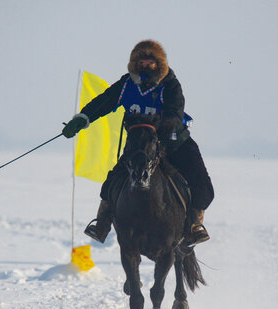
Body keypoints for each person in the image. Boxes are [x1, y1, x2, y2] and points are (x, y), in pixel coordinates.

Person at [62, 39, 214, 245]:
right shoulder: (127, 84)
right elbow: (104, 102)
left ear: (159, 63)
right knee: (113, 181)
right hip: (141, 146)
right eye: (141, 62)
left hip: (175, 143)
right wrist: (82, 119)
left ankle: (194, 226)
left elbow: (175, 113)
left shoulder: (169, 84)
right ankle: (102, 223)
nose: (145, 65)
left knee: (203, 186)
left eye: (150, 62)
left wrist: (159, 126)